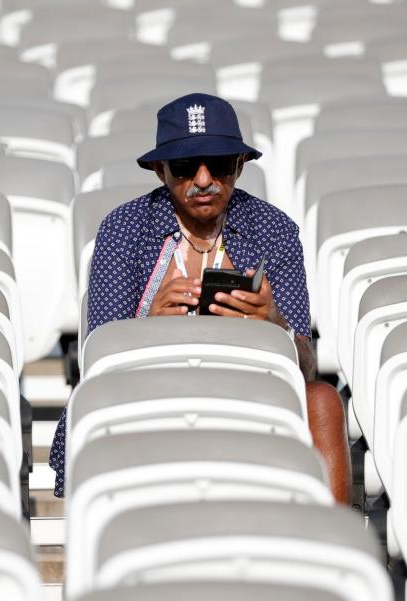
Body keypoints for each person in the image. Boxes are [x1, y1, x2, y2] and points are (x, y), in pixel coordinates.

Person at [49, 93, 350, 503]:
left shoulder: (273, 230)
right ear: (160, 171)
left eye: (220, 164)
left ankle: (333, 549)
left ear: (240, 167)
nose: (204, 180)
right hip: (150, 395)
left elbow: (306, 370)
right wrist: (146, 325)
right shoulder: (123, 230)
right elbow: (96, 368)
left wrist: (276, 324)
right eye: (186, 167)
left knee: (324, 400)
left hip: (249, 395)